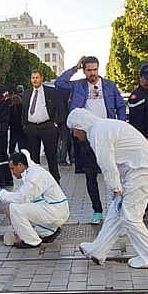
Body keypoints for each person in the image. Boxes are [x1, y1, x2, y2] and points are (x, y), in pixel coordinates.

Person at [67, 109, 148, 269]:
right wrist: (117, 190)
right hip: (140, 169)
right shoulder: (102, 127)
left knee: (130, 216)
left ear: (79, 127)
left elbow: (107, 165)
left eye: (73, 130)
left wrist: (116, 189)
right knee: (116, 212)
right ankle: (98, 250)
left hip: (143, 170)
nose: (74, 135)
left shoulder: (98, 133)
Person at [55, 56, 126, 224]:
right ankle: (97, 211)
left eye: (95, 70)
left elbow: (120, 106)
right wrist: (75, 68)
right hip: (87, 137)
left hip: (108, 136)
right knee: (90, 175)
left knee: (113, 172)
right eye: (88, 70)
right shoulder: (78, 85)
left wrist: (121, 125)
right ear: (84, 70)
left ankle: (119, 207)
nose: (92, 73)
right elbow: (59, 83)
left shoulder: (109, 85)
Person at [0, 150, 68, 249]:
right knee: (17, 209)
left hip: (55, 212)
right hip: (54, 209)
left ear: (20, 165)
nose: (12, 172)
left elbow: (21, 197)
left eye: (13, 168)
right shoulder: (32, 172)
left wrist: (1, 194)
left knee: (14, 208)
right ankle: (48, 232)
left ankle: (32, 241)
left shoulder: (35, 175)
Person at [128, 63, 148, 214]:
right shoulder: (137, 96)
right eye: (147, 78)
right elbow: (136, 121)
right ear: (140, 78)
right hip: (144, 140)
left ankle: (146, 202)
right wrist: (144, 138)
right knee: (142, 175)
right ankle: (140, 205)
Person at [22, 70, 60, 182]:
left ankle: (55, 180)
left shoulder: (51, 92)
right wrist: (24, 125)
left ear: (41, 78)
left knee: (51, 155)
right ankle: (36, 181)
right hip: (31, 128)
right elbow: (24, 110)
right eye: (33, 78)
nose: (35, 80)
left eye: (37, 77)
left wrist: (56, 123)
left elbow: (58, 107)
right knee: (33, 158)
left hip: (48, 127)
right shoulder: (27, 93)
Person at [9, 85, 27, 154]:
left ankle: (11, 152)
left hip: (13, 125)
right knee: (21, 141)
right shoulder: (24, 101)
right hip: (21, 124)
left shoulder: (12, 103)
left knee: (13, 140)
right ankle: (22, 153)